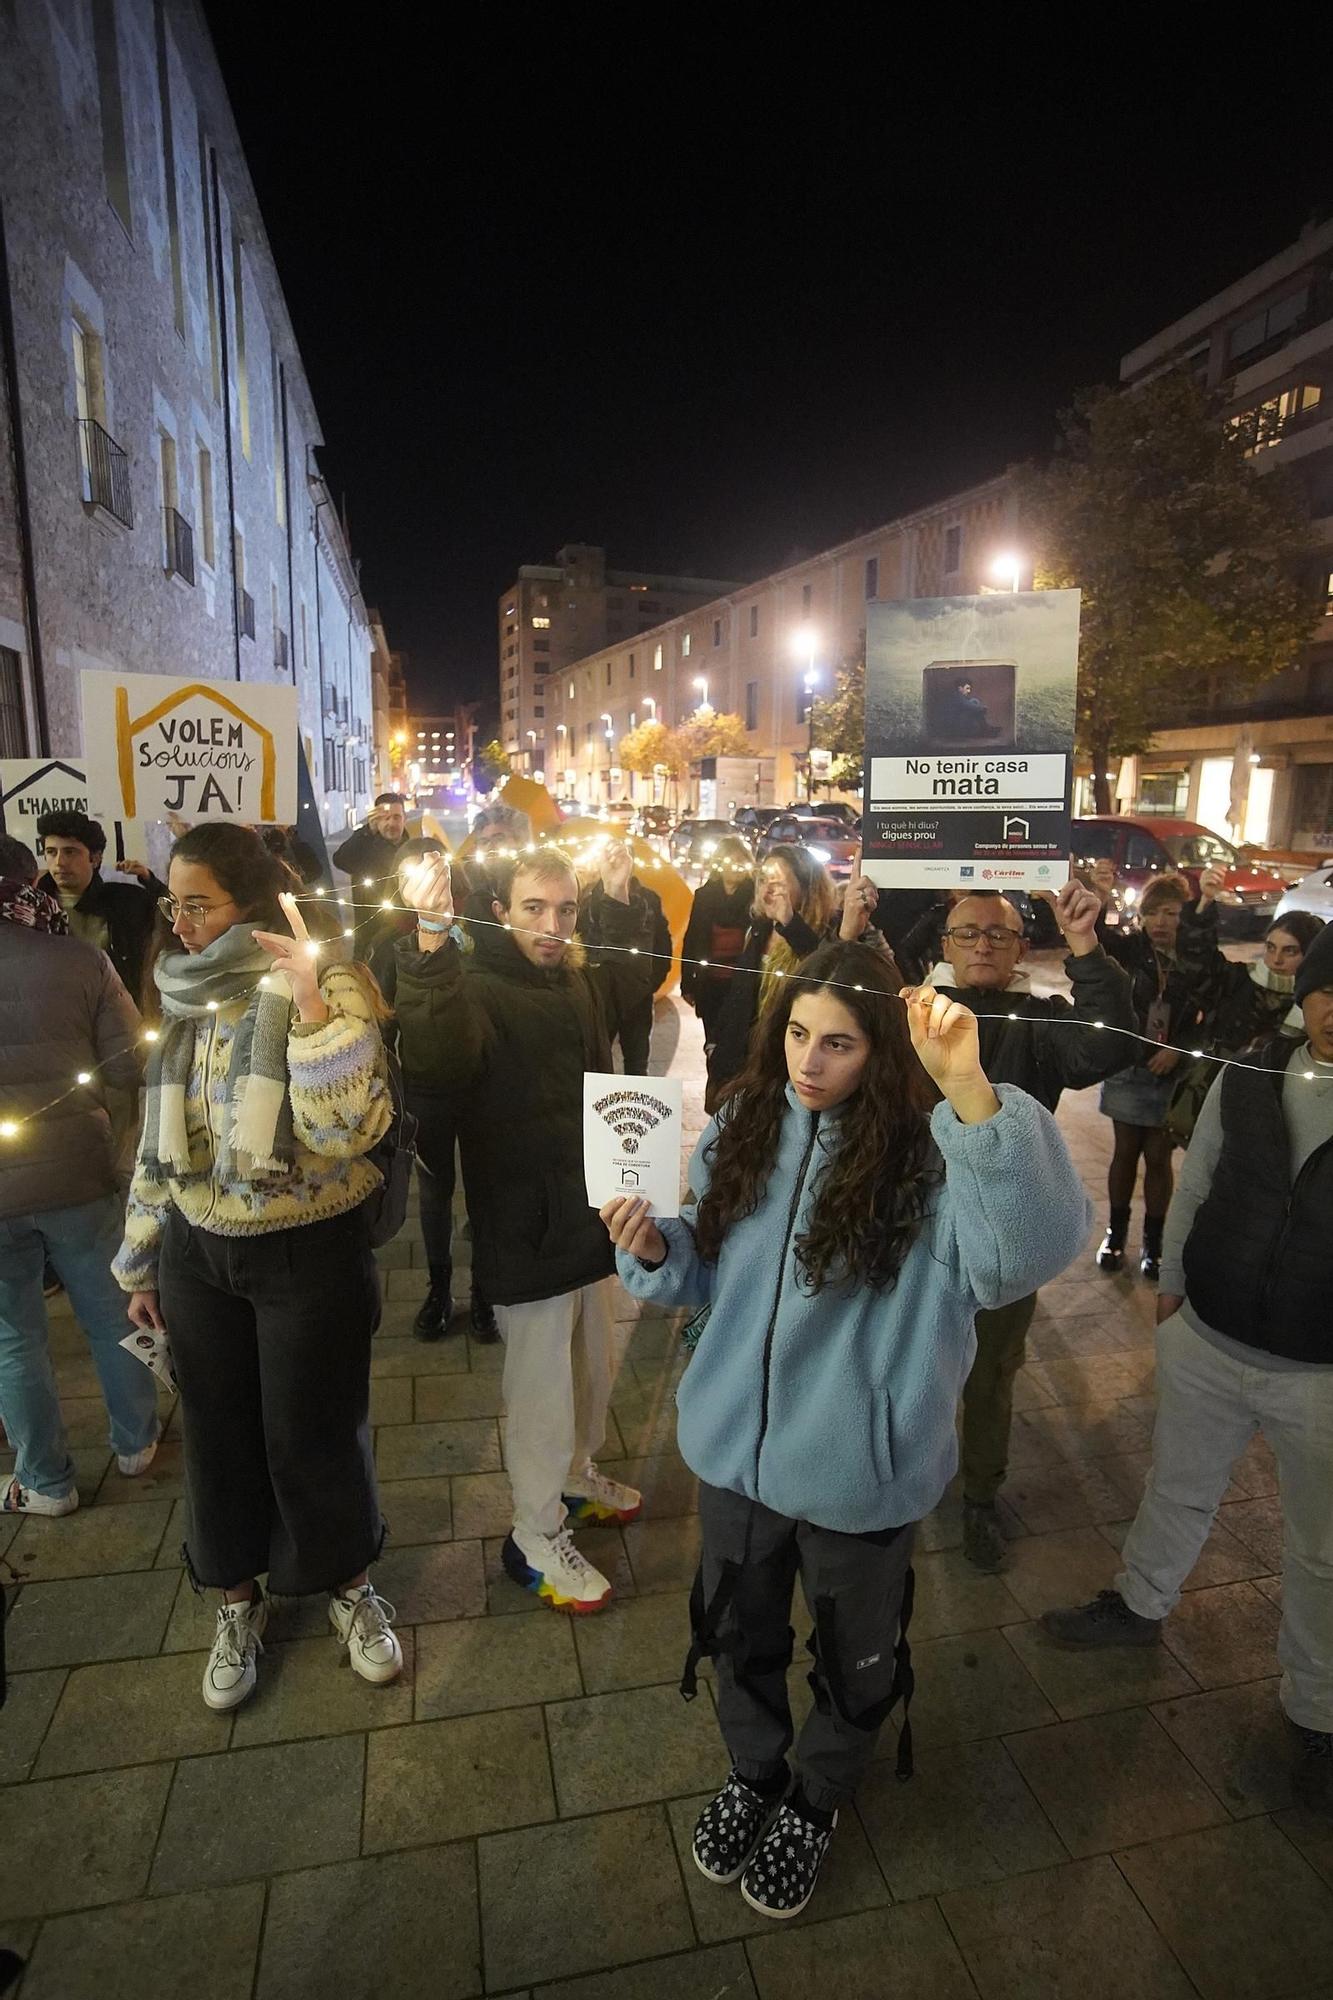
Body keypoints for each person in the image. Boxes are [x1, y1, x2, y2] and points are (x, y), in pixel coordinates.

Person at [604, 945, 1090, 1917]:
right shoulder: (745, 1121)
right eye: (795, 1033)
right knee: (737, 1636)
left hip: (862, 1476)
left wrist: (971, 1093)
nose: (808, 1062)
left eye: (838, 1042)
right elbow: (709, 1272)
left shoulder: (932, 1156)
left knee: (854, 1656)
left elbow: (1028, 1251)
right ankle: (754, 1772)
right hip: (735, 1458)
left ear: (882, 1049)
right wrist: (659, 1247)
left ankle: (817, 1798)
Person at [1041, 918, 1333, 1818]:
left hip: (1318, 1371)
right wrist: (1167, 1284)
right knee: (1177, 1485)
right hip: (1208, 1331)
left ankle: (1314, 1717)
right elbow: (1199, 1170)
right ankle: (1138, 1603)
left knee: (1322, 1553)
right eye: (1328, 991)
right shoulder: (1251, 1069)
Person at [112, 823, 400, 1711]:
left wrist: (310, 1003)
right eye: (175, 903)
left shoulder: (330, 976)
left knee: (312, 1427)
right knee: (217, 1430)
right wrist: (141, 1261)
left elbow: (347, 1130)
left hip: (305, 1247)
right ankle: (235, 1599)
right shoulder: (186, 992)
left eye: (200, 904)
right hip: (201, 1249)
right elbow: (166, 1146)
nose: (183, 922)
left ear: (250, 901)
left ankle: (349, 1585)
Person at [394, 844, 641, 1612]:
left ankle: (576, 1476)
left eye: (566, 910)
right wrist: (429, 947)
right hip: (522, 1219)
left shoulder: (574, 978)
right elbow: (433, 1064)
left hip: (589, 1210)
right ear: (500, 911)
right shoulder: (473, 984)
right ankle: (534, 1536)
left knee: (592, 1364)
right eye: (534, 908)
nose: (553, 925)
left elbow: (616, 1045)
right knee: (539, 1390)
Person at [921, 883, 1135, 1570]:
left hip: (1002, 1235)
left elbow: (1107, 1048)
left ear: (1019, 947)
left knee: (989, 1375)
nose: (982, 943)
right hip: (916, 1232)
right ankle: (906, 1480)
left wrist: (1084, 947)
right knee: (907, 1365)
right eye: (967, 932)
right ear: (945, 946)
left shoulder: (1040, 1019)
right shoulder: (913, 1009)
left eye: (998, 933)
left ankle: (979, 1497)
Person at [0, 833, 159, 1515]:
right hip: (79, 1171)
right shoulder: (78, 959)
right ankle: (137, 1442)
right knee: (111, 1311)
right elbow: (128, 1067)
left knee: (14, 1338)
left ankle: (44, 1480)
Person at [369, 837, 497, 1344]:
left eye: (433, 872)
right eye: (409, 877)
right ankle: (439, 1289)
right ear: (398, 887)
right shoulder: (386, 941)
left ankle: (486, 1289)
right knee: (435, 1194)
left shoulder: (482, 933)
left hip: (485, 1089)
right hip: (425, 1094)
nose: (422, 885)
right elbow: (382, 1022)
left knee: (487, 1191)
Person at [707, 844, 896, 1107]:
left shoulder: (839, 928)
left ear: (806, 887)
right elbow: (740, 994)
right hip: (745, 1071)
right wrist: (716, 1046)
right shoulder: (760, 929)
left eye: (779, 883)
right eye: (763, 881)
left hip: (795, 1075)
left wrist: (791, 925)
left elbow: (827, 977)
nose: (768, 890)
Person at [1091, 871, 1208, 1279]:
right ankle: (1116, 1234)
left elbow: (1210, 1013)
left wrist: (1176, 1050)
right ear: (1141, 916)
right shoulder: (1131, 950)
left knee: (1159, 1156)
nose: (1161, 921)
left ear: (1183, 916)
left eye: (1171, 913)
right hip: (1129, 1065)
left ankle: (1154, 1243)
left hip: (1170, 1071)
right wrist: (1101, 899)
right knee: (1125, 1151)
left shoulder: (1194, 959)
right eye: (1153, 912)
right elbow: (1098, 942)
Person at [1165, 873, 1323, 1144]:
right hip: (1221, 1110)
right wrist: (1205, 901)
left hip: (1283, 1125)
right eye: (1271, 947)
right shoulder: (1239, 981)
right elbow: (1197, 962)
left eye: (1290, 951)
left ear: (1309, 954)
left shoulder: (1316, 1003)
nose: (1276, 959)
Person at [35, 810, 165, 1001]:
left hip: (120, 1011)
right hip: (55, 1011)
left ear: (95, 858)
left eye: (70, 852)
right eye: (51, 852)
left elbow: (175, 915)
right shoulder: (32, 906)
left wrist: (149, 880)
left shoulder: (126, 900)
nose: (59, 862)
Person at [579, 839, 672, 1074]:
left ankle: (632, 1110)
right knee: (598, 1060)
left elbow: (661, 944)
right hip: (602, 992)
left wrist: (651, 982)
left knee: (637, 1061)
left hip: (638, 993)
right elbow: (583, 941)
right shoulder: (589, 899)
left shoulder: (649, 899)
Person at [681, 836, 755, 1052]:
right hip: (711, 983)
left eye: (742, 861)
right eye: (731, 861)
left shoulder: (755, 896)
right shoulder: (704, 896)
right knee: (713, 1044)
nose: (737, 868)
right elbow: (692, 939)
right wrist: (688, 983)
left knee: (739, 1047)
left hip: (742, 985)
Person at [331, 793, 413, 891]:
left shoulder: (414, 847)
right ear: (375, 819)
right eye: (385, 818)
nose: (391, 823)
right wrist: (366, 832)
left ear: (405, 819)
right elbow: (340, 861)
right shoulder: (364, 843)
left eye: (396, 817)